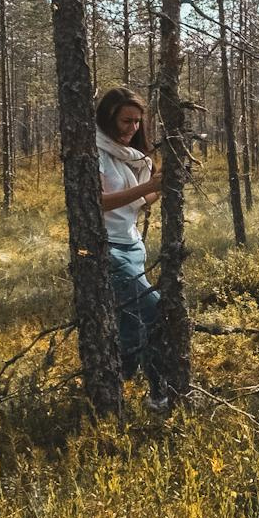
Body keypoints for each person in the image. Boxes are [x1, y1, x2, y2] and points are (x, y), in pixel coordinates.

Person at [95, 87, 167, 406]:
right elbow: (94, 201)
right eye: (126, 121)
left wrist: (162, 186)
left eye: (138, 122)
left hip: (133, 248)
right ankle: (160, 393)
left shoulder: (130, 157)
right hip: (106, 250)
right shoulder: (94, 151)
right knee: (155, 311)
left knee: (130, 325)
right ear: (109, 118)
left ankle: (114, 392)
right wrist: (147, 186)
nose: (132, 129)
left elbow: (138, 201)